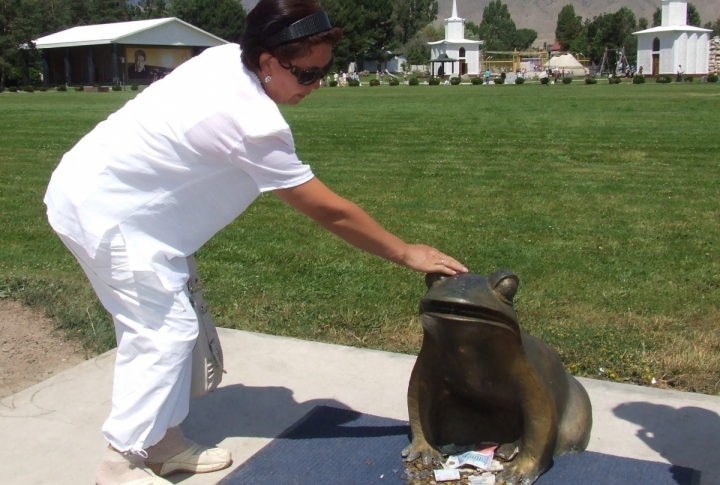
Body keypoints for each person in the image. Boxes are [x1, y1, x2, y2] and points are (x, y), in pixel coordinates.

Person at [43, 1, 467, 484]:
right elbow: (329, 209)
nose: (317, 84)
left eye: (324, 72)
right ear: (267, 62)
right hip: (108, 216)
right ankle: (120, 463)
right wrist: (405, 252)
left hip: (123, 206)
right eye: (307, 74)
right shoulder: (251, 122)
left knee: (165, 328)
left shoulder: (227, 58)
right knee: (164, 332)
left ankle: (161, 441)